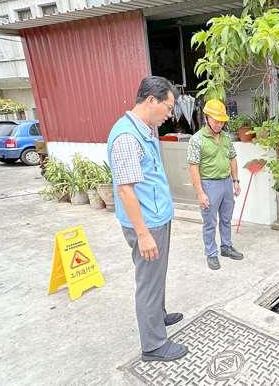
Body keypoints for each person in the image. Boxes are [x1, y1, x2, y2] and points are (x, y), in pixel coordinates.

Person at [107, 75, 187, 362]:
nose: (170, 114)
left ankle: (158, 316)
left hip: (156, 216)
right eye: (168, 107)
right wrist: (142, 234)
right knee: (149, 282)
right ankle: (153, 345)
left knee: (157, 275)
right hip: (146, 224)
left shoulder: (144, 129)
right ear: (151, 100)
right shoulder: (128, 136)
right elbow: (126, 190)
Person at [187, 99, 244, 271]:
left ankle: (226, 247)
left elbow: (232, 158)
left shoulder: (226, 137)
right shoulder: (197, 140)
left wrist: (235, 181)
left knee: (226, 219)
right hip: (209, 185)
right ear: (206, 118)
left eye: (221, 121)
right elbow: (193, 167)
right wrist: (200, 193)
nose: (219, 124)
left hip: (226, 182)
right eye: (216, 120)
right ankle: (211, 254)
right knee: (210, 222)